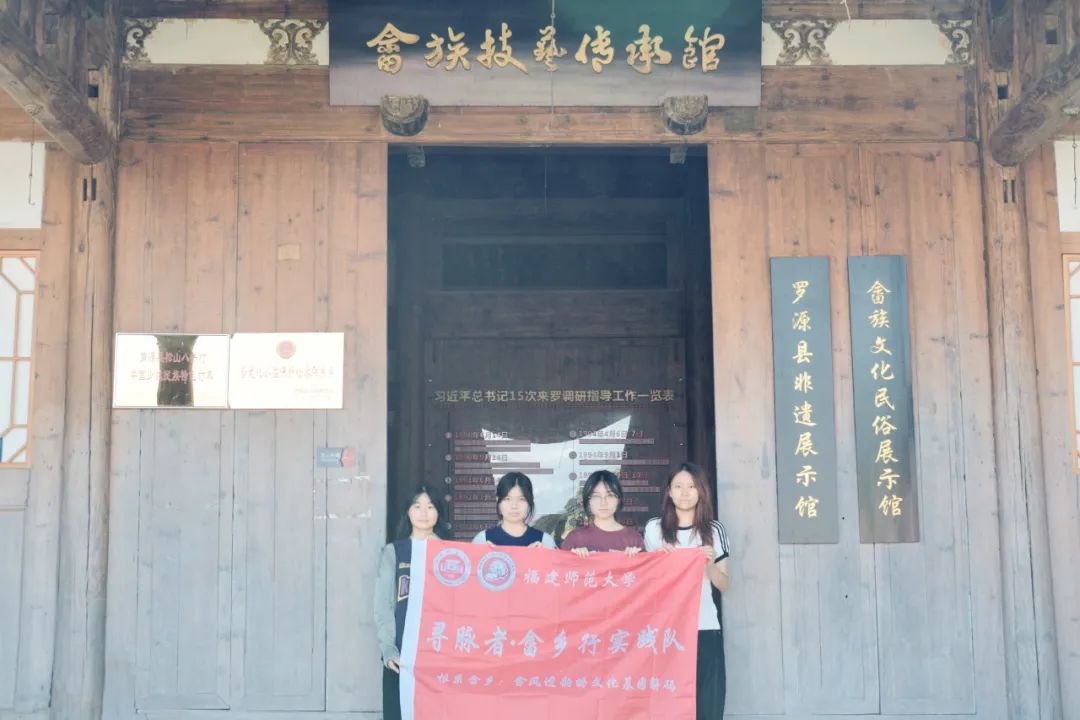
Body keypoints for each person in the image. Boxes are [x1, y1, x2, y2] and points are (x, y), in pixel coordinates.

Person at [643, 462, 731, 720]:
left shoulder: (713, 530)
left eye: (691, 486)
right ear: (669, 492)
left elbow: (724, 584)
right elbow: (644, 583)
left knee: (708, 704)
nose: (684, 493)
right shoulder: (654, 529)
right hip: (666, 630)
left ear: (701, 491)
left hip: (704, 627)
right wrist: (657, 561)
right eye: (678, 486)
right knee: (667, 705)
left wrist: (710, 564)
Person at [373, 484, 448, 720]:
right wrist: (389, 650)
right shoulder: (394, 552)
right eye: (417, 506)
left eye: (430, 506)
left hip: (439, 656)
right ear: (408, 511)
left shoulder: (451, 554)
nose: (423, 512)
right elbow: (383, 606)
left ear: (439, 512)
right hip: (401, 657)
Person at [561, 470, 644, 557]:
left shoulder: (634, 539)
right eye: (596, 496)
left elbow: (645, 565)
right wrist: (574, 558)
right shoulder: (575, 538)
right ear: (588, 501)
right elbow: (561, 564)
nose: (603, 502)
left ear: (619, 500)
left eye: (610, 495)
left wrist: (636, 558)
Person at [472, 472, 557, 548]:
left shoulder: (544, 542)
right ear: (499, 503)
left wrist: (544, 556)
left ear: (529, 503)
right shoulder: (482, 540)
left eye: (521, 499)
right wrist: (483, 555)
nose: (514, 506)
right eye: (507, 499)